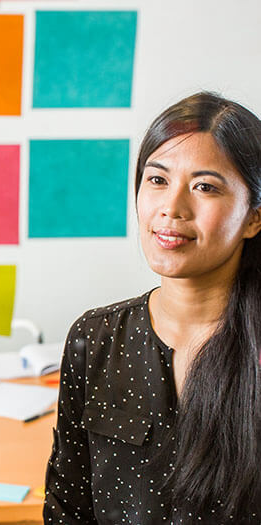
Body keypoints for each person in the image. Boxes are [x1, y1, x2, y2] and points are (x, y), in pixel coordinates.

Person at [43, 92, 261, 524]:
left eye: (205, 187)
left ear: (253, 217)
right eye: (157, 180)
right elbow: (68, 505)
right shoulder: (96, 337)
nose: (171, 208)